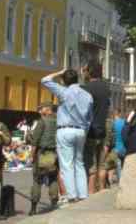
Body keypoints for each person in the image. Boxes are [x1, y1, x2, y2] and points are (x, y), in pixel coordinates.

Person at [41, 68, 94, 204]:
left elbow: (45, 80)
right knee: (79, 163)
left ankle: (72, 195)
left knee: (67, 164)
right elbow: (89, 118)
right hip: (81, 131)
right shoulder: (87, 95)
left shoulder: (63, 91)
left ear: (64, 81)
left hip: (65, 129)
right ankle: (83, 194)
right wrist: (84, 130)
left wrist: (59, 73)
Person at [81, 61, 111, 194]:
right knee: (101, 164)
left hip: (90, 131)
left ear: (89, 71)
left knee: (90, 166)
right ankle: (101, 190)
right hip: (102, 130)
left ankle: (91, 193)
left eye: (85, 70)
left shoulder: (86, 88)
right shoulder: (106, 88)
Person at [29, 102, 59, 215]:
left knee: (37, 180)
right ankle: (54, 202)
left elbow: (35, 141)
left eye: (41, 108)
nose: (40, 110)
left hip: (41, 154)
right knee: (52, 178)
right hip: (53, 153)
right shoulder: (58, 121)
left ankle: (33, 208)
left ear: (47, 109)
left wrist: (32, 156)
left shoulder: (42, 122)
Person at [112, 109, 127, 181]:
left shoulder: (112, 123)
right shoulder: (124, 122)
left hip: (116, 148)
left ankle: (120, 182)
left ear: (113, 114)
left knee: (118, 166)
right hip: (125, 147)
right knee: (125, 166)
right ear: (120, 114)